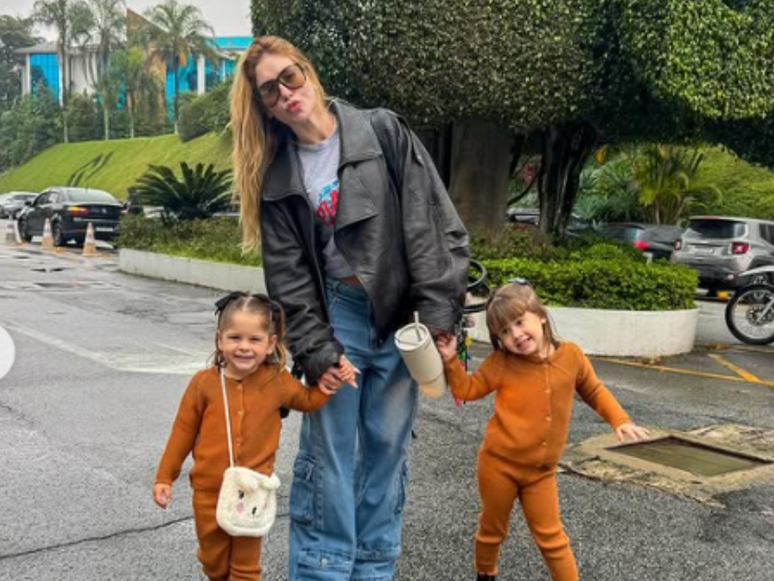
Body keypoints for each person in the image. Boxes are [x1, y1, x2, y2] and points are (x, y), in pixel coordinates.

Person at [230, 36, 469, 581]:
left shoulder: (381, 131)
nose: (285, 93)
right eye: (269, 91)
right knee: (329, 456)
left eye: (289, 77)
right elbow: (289, 276)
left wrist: (438, 314)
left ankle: (374, 570)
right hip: (337, 316)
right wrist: (317, 349)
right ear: (265, 107)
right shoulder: (278, 174)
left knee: (387, 451)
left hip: (403, 317)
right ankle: (322, 571)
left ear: (307, 72)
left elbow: (430, 222)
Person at [435, 281, 650, 581]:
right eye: (505, 332)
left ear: (540, 316)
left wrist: (620, 420)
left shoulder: (571, 356)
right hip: (498, 466)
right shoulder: (502, 363)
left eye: (520, 322)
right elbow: (467, 390)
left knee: (552, 538)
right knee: (492, 529)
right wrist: (450, 360)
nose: (516, 335)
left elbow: (594, 390)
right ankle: (486, 573)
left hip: (541, 472)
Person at [153, 292, 348, 581]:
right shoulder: (203, 384)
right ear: (220, 340)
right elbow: (182, 432)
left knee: (245, 568)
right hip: (208, 492)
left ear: (270, 344)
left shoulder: (277, 380)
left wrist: (327, 385)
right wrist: (164, 477)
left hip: (254, 490)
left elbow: (307, 400)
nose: (244, 347)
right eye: (235, 338)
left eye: (254, 339)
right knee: (213, 560)